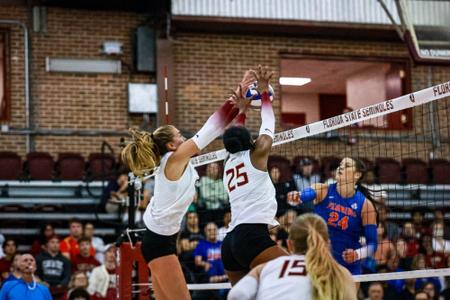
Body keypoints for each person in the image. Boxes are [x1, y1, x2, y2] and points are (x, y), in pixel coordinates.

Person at [121, 69, 255, 300]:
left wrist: (239, 107)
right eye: (179, 135)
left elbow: (217, 129)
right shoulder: (173, 160)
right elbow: (209, 131)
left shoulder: (177, 162)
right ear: (171, 146)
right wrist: (234, 97)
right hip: (159, 243)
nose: (184, 138)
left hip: (159, 240)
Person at [221, 65, 288, 286]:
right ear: (251, 143)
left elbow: (235, 137)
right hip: (251, 236)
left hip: (230, 243)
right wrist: (264, 92)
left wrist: (242, 110)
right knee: (301, 275)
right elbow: (268, 123)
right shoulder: (257, 155)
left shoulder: (228, 161)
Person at [227, 213, 356, 300]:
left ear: (290, 245)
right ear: (327, 243)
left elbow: (236, 295)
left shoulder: (266, 268)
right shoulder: (340, 273)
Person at [287, 157, 378, 275]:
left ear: (357, 175)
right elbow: (303, 196)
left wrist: (357, 254)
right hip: (319, 262)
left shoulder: (366, 205)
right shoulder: (322, 189)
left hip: (348, 267)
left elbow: (373, 245)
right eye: (340, 164)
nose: (341, 167)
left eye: (347, 166)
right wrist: (296, 197)